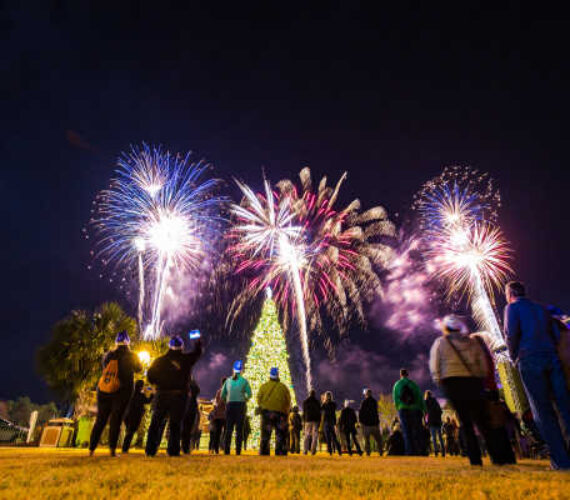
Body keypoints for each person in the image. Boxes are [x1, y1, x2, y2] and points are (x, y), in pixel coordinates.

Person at [504, 281, 570, 470]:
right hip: (552, 358)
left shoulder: (511, 308)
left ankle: (561, 461)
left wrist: (513, 357)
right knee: (564, 407)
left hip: (530, 359)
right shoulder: (540, 308)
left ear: (510, 294)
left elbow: (511, 334)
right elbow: (556, 331)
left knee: (543, 412)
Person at [429, 314, 491, 466]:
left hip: (452, 383)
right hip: (473, 382)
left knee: (465, 422)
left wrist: (439, 381)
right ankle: (497, 454)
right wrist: (480, 379)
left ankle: (475, 459)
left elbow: (435, 366)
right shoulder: (472, 342)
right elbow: (483, 364)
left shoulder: (440, 342)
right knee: (482, 420)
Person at [145, 335, 202, 457]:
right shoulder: (186, 359)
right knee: (175, 424)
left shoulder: (160, 360)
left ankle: (150, 449)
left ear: (169, 346)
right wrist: (197, 341)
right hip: (179, 396)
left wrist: (157, 384)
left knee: (156, 422)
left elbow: (150, 375)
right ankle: (173, 450)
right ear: (182, 347)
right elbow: (197, 353)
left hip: (162, 394)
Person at [89, 331, 142, 457]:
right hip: (122, 392)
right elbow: (139, 369)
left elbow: (105, 367)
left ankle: (91, 449)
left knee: (100, 420)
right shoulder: (131, 355)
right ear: (128, 342)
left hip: (104, 390)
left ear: (116, 342)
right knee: (116, 420)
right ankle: (112, 449)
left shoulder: (109, 355)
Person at [257, 367, 291, 455]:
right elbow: (288, 401)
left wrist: (263, 406)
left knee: (265, 435)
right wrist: (285, 411)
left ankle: (264, 452)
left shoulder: (264, 386)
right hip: (280, 414)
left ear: (270, 375)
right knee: (280, 435)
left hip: (267, 413)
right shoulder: (283, 387)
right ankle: (280, 452)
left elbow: (258, 399)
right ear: (278, 375)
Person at [221, 361, 252, 455]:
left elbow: (223, 395)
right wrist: (244, 398)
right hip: (241, 406)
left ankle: (227, 450)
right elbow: (249, 394)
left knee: (228, 429)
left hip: (230, 406)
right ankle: (238, 451)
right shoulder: (244, 381)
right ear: (241, 370)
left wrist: (228, 399)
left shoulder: (228, 381)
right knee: (239, 430)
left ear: (233, 370)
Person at [392, 368, 425, 456]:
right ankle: (419, 451)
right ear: (408, 374)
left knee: (406, 431)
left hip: (403, 409)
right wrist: (423, 410)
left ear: (400, 375)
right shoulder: (413, 384)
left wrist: (398, 408)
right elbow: (419, 397)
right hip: (415, 409)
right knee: (416, 431)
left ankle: (409, 451)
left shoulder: (397, 384)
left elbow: (395, 399)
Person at [122, 379, 153, 453]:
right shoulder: (140, 395)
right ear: (141, 387)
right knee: (130, 432)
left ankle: (125, 447)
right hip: (135, 416)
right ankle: (125, 448)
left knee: (129, 431)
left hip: (127, 415)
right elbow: (147, 401)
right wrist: (152, 394)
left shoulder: (132, 393)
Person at [358, 388, 383, 456]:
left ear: (366, 394)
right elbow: (376, 412)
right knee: (378, 440)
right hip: (374, 423)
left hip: (366, 425)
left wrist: (361, 422)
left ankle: (368, 453)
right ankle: (380, 452)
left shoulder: (364, 402)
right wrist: (377, 421)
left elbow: (361, 413)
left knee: (367, 440)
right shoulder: (374, 401)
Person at [181, 377, 200, 455]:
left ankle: (176, 446)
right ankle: (185, 448)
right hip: (191, 408)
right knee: (188, 429)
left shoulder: (181, 383)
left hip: (182, 407)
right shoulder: (193, 384)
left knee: (180, 427)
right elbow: (197, 391)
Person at [209, 377, 227, 454]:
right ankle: (223, 448)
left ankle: (216, 448)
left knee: (218, 433)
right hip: (224, 415)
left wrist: (216, 406)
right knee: (225, 433)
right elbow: (222, 402)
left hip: (218, 416)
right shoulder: (226, 392)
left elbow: (216, 403)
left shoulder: (218, 391)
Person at [424, 390, 444, 457]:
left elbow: (425, 413)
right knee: (440, 437)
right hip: (438, 421)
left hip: (432, 422)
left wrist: (426, 422)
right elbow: (441, 411)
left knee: (434, 437)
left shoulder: (426, 402)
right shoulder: (435, 401)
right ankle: (443, 451)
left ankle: (436, 452)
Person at [321, 391, 342, 456]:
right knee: (334, 437)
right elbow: (333, 413)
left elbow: (321, 410)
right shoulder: (333, 404)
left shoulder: (324, 404)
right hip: (332, 422)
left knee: (328, 438)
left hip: (326, 422)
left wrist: (323, 401)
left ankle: (330, 452)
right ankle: (339, 451)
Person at [302, 389, 321, 455]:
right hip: (315, 420)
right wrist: (319, 421)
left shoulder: (305, 401)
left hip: (308, 420)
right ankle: (313, 451)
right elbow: (319, 413)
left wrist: (303, 420)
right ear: (314, 394)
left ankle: (305, 450)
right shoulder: (317, 402)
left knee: (307, 435)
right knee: (314, 436)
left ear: (309, 394)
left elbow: (304, 412)